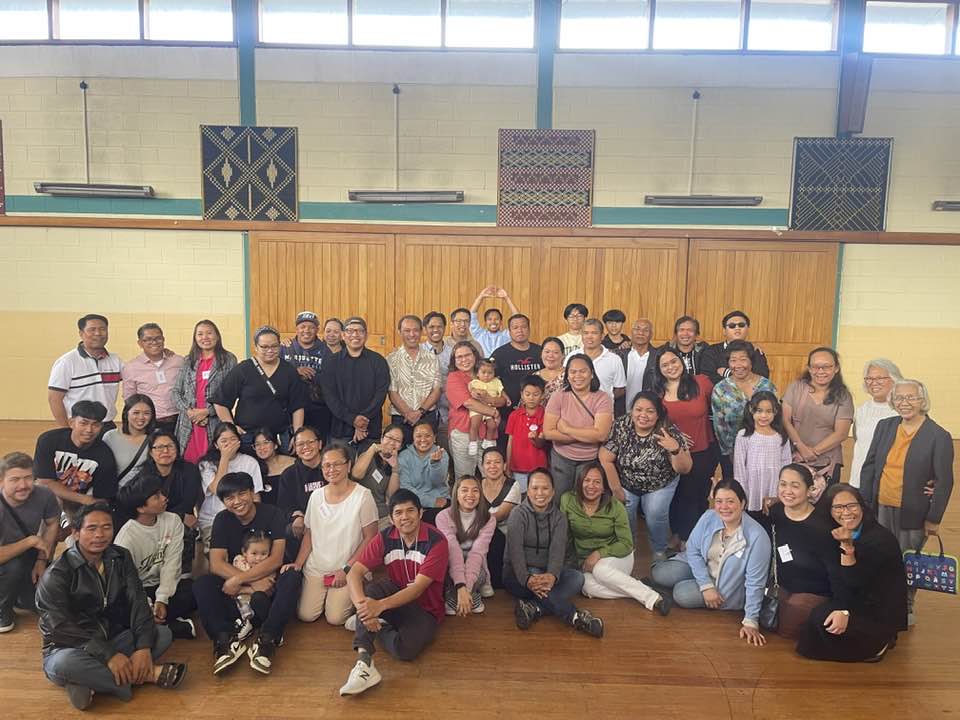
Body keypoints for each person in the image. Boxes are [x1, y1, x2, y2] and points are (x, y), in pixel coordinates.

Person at [37, 502, 186, 710]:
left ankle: (87, 682)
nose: (100, 534)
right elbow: (60, 628)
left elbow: (138, 600)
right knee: (65, 664)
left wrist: (143, 647)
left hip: (112, 637)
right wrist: (109, 655)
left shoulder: (120, 557)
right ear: (76, 533)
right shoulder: (57, 575)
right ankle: (146, 675)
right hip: (69, 648)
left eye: (106, 527)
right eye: (91, 528)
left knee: (162, 634)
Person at [859, 378, 954, 623]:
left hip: (913, 511)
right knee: (879, 555)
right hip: (881, 505)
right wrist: (865, 503)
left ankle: (905, 606)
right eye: (899, 397)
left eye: (911, 397)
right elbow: (869, 466)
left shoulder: (939, 436)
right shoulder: (885, 426)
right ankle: (879, 601)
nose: (905, 402)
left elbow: (944, 481)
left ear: (923, 401)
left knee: (907, 560)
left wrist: (934, 517)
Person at [339, 489, 449, 696]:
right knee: (371, 592)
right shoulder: (385, 536)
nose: (405, 517)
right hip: (393, 594)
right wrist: (364, 608)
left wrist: (377, 607)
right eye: (398, 513)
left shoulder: (437, 541)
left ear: (421, 513)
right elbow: (354, 573)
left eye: (410, 511)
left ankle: (376, 624)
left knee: (404, 650)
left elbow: (417, 589)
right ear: (391, 518)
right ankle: (364, 663)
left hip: (425, 609)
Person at [193, 471, 301, 675]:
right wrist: (248, 584)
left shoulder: (273, 514)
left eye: (242, 494)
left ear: (252, 493)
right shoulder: (222, 519)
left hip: (269, 589)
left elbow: (276, 559)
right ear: (223, 501)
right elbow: (216, 563)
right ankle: (225, 641)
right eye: (229, 498)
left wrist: (242, 580)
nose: (237, 501)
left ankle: (267, 639)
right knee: (203, 584)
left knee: (292, 576)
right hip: (237, 593)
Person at [650, 479, 770, 646]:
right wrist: (705, 585)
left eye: (730, 501)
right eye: (719, 501)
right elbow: (692, 549)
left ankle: (683, 587)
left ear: (743, 503)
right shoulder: (709, 516)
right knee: (659, 573)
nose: (724, 507)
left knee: (681, 593)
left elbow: (755, 582)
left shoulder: (757, 536)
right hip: (705, 569)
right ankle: (692, 584)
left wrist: (751, 620)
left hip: (724, 589)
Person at [796, 485, 907, 662]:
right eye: (838, 507)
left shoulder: (879, 540)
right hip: (855, 596)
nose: (846, 512)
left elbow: (857, 582)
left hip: (877, 608)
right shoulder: (837, 532)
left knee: (823, 621)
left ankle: (881, 643)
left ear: (862, 506)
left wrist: (845, 612)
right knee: (817, 619)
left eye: (851, 506)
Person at [503, 469, 603, 637]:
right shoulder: (517, 514)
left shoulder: (559, 518)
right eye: (535, 488)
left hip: (545, 572)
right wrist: (528, 579)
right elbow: (516, 555)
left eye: (545, 488)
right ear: (528, 491)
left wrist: (552, 576)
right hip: (518, 575)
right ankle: (575, 617)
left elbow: (557, 552)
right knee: (536, 576)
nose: (540, 493)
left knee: (577, 578)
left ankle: (533, 608)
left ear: (553, 491)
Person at [562, 462, 671, 614]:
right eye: (587, 480)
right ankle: (640, 587)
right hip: (586, 563)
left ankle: (652, 598)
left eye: (597, 482)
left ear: (603, 487)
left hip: (618, 556)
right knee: (586, 587)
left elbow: (626, 544)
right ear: (580, 482)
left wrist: (599, 553)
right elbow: (563, 535)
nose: (591, 486)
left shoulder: (615, 507)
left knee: (600, 570)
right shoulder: (567, 500)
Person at [289, 443, 378, 626]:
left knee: (335, 618)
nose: (332, 469)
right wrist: (298, 563)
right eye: (327, 465)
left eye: (337, 464)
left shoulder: (363, 496)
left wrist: (347, 569)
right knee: (306, 615)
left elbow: (370, 537)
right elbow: (309, 534)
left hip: (346, 567)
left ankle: (359, 585)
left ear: (349, 465)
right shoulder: (316, 496)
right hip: (317, 567)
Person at [599, 391, 692, 562]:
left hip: (660, 483)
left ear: (658, 415)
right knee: (624, 512)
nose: (643, 415)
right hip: (626, 481)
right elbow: (605, 457)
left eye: (650, 411)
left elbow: (685, 468)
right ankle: (629, 548)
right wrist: (616, 489)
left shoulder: (667, 430)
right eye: (638, 409)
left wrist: (675, 449)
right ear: (631, 410)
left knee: (655, 514)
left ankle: (659, 549)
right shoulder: (622, 425)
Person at [115, 475, 196, 640]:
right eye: (156, 496)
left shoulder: (172, 521)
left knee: (195, 591)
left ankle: (151, 625)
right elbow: (129, 583)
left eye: (161, 493)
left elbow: (172, 563)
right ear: (140, 508)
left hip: (163, 585)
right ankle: (167, 626)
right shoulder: (126, 538)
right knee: (119, 608)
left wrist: (162, 600)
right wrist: (148, 606)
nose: (164, 498)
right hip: (138, 591)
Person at [653, 347, 717, 544]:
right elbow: (654, 422)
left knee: (698, 497)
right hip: (672, 453)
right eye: (665, 365)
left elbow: (719, 408)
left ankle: (695, 540)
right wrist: (677, 436)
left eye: (674, 361)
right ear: (659, 370)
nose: (671, 367)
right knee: (676, 497)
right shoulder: (657, 392)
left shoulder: (701, 382)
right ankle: (679, 536)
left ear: (681, 361)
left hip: (703, 450)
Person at [767, 464, 836, 640]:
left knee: (787, 630)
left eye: (795, 486)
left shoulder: (823, 525)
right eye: (783, 484)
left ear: (810, 490)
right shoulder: (775, 512)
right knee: (766, 621)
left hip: (813, 590)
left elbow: (835, 570)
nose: (787, 491)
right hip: (782, 585)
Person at [214, 326, 307, 449]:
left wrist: (297, 435)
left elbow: (298, 406)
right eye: (264, 347)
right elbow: (220, 402)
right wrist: (232, 427)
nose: (270, 350)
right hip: (247, 437)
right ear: (256, 347)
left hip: (279, 437)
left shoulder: (289, 371)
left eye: (274, 346)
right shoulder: (243, 369)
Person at [0, 452, 59, 634]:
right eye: (15, 479)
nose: (23, 485)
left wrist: (41, 560)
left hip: (28, 556)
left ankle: (18, 596)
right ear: (1, 481)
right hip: (6, 560)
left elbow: (52, 523)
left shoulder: (44, 495)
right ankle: (2, 609)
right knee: (14, 567)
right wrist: (30, 541)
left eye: (28, 478)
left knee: (39, 602)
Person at [543, 353, 614, 498]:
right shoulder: (558, 396)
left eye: (583, 371)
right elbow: (548, 433)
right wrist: (588, 434)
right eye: (573, 372)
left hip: (589, 459)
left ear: (592, 374)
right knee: (560, 499)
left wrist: (567, 429)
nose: (578, 376)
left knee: (585, 499)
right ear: (567, 376)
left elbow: (601, 435)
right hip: (561, 458)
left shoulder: (602, 398)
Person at [782, 347, 854, 485]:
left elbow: (841, 433)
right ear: (809, 369)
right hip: (795, 458)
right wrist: (800, 447)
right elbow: (785, 420)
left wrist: (813, 452)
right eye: (815, 367)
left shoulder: (843, 396)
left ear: (836, 368)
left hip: (828, 462)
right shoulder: (796, 388)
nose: (820, 371)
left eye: (826, 367)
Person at [34, 400, 119, 512]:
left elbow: (102, 498)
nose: (89, 430)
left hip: (80, 508)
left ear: (101, 426)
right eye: (83, 423)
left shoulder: (105, 455)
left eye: (96, 425)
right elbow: (44, 482)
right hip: (52, 499)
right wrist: (83, 499)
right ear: (71, 422)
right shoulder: (49, 440)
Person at [172, 319, 237, 464]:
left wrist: (207, 412)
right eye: (200, 334)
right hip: (189, 422)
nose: (205, 337)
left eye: (209, 333)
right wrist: (190, 412)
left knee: (213, 463)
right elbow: (176, 392)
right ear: (195, 338)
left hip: (215, 421)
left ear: (217, 336)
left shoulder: (228, 359)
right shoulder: (188, 360)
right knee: (188, 465)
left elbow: (230, 395)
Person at [320, 316, 390, 450]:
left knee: (369, 463)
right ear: (343, 335)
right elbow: (330, 396)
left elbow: (381, 394)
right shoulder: (331, 363)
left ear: (366, 335)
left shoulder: (378, 361)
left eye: (360, 331)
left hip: (370, 429)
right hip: (341, 430)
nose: (355, 335)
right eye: (350, 331)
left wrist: (363, 420)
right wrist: (353, 420)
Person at [137, 429, 201, 576]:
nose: (165, 451)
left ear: (177, 449)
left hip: (180, 523)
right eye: (159, 447)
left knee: (186, 528)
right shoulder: (144, 474)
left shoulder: (189, 470)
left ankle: (183, 574)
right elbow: (144, 505)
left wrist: (178, 516)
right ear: (151, 452)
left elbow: (188, 503)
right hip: (154, 521)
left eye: (170, 446)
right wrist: (179, 516)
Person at [711, 340, 778, 481]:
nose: (738, 365)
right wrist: (731, 453)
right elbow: (720, 426)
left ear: (751, 361)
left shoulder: (767, 386)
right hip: (732, 453)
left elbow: (776, 419)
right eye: (733, 360)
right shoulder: (721, 389)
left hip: (765, 450)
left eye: (743, 359)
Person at [48, 314, 123, 429]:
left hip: (107, 425)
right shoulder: (67, 362)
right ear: (81, 333)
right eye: (92, 329)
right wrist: (65, 430)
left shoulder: (115, 360)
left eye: (102, 329)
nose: (98, 333)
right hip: (79, 427)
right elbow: (54, 399)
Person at [446, 341, 508, 480]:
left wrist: (489, 399)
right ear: (454, 361)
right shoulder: (454, 377)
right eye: (459, 357)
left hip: (488, 434)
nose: (464, 360)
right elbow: (469, 403)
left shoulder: (487, 374)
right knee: (465, 478)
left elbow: (503, 400)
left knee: (492, 476)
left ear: (475, 356)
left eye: (467, 355)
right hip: (464, 433)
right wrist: (493, 412)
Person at [436, 476, 496, 616]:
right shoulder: (443, 516)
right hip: (450, 564)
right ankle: (469, 596)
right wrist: (460, 585)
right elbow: (453, 551)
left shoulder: (489, 519)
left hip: (475, 568)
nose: (470, 495)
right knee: (445, 570)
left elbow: (477, 553)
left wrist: (466, 589)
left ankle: (460, 596)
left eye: (475, 490)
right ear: (456, 494)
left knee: (479, 573)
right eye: (464, 490)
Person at [197, 423, 264, 547]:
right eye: (224, 441)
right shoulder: (206, 464)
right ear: (216, 445)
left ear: (239, 441)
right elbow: (217, 490)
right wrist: (225, 458)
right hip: (212, 520)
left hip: (244, 519)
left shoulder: (250, 462)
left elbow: (255, 496)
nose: (229, 444)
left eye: (233, 439)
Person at [733, 391, 793, 521]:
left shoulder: (781, 435)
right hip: (751, 488)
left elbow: (786, 464)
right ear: (751, 410)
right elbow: (739, 468)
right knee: (753, 521)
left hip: (774, 487)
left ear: (775, 411)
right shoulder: (744, 435)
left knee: (773, 521)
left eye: (769, 411)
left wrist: (783, 490)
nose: (764, 416)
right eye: (759, 411)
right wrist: (742, 493)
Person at [387, 314, 441, 447]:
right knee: (400, 455)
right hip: (401, 418)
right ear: (399, 332)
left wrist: (420, 412)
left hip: (427, 415)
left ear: (421, 331)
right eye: (407, 330)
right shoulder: (391, 359)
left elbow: (436, 390)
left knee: (428, 455)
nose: (412, 334)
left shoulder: (432, 358)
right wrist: (408, 413)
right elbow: (392, 392)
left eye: (416, 330)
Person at [491, 313, 544, 449]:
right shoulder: (500, 354)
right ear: (509, 331)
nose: (520, 330)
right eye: (515, 328)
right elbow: (490, 380)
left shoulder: (540, 352)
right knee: (508, 449)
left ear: (529, 329)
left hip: (537, 415)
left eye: (523, 327)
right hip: (507, 414)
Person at [849, 358, 903, 488]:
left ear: (894, 379)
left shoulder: (903, 410)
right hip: (859, 480)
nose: (874, 383)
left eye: (880, 378)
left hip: (890, 483)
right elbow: (858, 440)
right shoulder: (861, 410)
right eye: (869, 378)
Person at [121, 323, 184, 433]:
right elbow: (130, 399)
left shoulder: (178, 361)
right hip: (151, 422)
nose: (154, 342)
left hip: (180, 419)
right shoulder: (131, 367)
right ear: (140, 343)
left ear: (163, 339)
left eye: (158, 338)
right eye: (148, 339)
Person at [281, 311, 332, 441]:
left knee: (317, 444)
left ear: (317, 330)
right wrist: (296, 371)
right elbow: (276, 374)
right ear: (296, 329)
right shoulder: (285, 348)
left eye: (311, 327)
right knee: (292, 445)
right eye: (302, 326)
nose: (306, 330)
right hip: (289, 408)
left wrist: (312, 376)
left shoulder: (326, 351)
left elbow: (330, 380)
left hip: (317, 409)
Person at [276, 426, 325, 561]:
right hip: (305, 523)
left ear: (320, 444)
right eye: (300, 444)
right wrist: (296, 516)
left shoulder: (330, 468)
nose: (306, 447)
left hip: (332, 518)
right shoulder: (289, 474)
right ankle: (298, 566)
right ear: (295, 448)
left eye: (310, 442)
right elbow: (284, 506)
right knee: (289, 529)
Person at [479, 447, 521, 591]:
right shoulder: (477, 485)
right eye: (488, 462)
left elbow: (500, 515)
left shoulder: (513, 485)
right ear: (482, 466)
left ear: (504, 465)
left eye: (497, 462)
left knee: (494, 537)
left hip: (505, 534)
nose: (492, 466)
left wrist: (474, 522)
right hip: (481, 532)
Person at [398, 421, 450, 524]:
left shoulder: (442, 453)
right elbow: (405, 487)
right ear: (413, 437)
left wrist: (435, 464)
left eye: (427, 436)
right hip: (413, 502)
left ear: (434, 438)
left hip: (440, 500)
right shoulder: (404, 456)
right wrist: (430, 501)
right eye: (418, 436)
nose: (423, 439)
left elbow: (438, 482)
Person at [352, 424, 404, 527]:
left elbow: (390, 495)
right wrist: (373, 448)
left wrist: (395, 469)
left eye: (397, 441)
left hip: (380, 513)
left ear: (401, 446)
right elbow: (356, 475)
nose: (392, 443)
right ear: (381, 438)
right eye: (389, 437)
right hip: (359, 510)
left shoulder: (397, 463)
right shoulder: (369, 455)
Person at [701, 311, 771, 386]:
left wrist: (727, 373)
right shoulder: (711, 351)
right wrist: (742, 380)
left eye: (741, 325)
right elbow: (708, 378)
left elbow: (762, 378)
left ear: (748, 329)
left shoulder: (755, 351)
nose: (737, 328)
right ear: (724, 331)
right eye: (732, 326)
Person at [102, 394, 157, 488]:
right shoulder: (110, 436)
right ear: (126, 413)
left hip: (145, 492)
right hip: (116, 492)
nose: (141, 417)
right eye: (136, 413)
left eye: (146, 413)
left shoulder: (158, 437)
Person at [566, 318, 626, 405]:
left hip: (604, 409)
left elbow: (620, 389)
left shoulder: (614, 359)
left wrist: (604, 399)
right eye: (586, 333)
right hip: (574, 407)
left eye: (594, 333)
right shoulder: (571, 356)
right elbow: (565, 383)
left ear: (602, 336)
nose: (589, 337)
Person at [230, 530, 277, 639]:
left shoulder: (269, 568)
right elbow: (232, 584)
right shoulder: (239, 562)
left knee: (259, 597)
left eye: (263, 554)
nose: (258, 558)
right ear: (244, 552)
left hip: (257, 607)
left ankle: (263, 628)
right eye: (254, 553)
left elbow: (266, 589)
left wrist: (242, 589)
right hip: (238, 604)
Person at [505, 375, 548, 493]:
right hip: (517, 467)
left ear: (543, 395)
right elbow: (510, 442)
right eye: (527, 394)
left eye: (536, 394)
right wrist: (508, 465)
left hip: (539, 467)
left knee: (538, 495)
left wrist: (535, 439)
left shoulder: (546, 415)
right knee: (522, 497)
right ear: (522, 394)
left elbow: (541, 444)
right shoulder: (514, 415)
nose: (531, 398)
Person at [421, 311, 455, 446]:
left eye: (439, 326)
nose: (436, 330)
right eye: (431, 327)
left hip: (448, 411)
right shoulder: (418, 351)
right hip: (423, 411)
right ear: (425, 329)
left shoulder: (453, 352)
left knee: (446, 449)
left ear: (444, 328)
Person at [617, 318, 658, 417]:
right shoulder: (619, 356)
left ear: (651, 334)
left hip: (648, 415)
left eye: (646, 330)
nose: (641, 333)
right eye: (637, 329)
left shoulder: (658, 357)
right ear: (631, 332)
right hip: (621, 413)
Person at [469, 285, 519, 356]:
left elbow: (518, 320)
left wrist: (507, 298)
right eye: (490, 319)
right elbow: (471, 316)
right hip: (483, 363)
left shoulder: (507, 335)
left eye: (496, 319)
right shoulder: (479, 334)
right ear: (485, 322)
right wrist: (481, 297)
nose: (493, 322)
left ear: (501, 322)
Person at [468, 358, 504, 455]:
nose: (486, 375)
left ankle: (488, 440)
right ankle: (473, 442)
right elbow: (471, 390)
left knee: (492, 425)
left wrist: (507, 398)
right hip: (478, 408)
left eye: (490, 373)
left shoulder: (496, 382)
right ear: (477, 373)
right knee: (474, 423)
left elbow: (502, 392)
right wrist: (476, 392)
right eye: (483, 372)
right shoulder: (475, 382)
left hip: (491, 408)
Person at [251, 427, 295, 506]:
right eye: (257, 444)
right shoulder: (254, 468)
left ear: (275, 445)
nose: (262, 447)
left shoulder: (293, 463)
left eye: (266, 442)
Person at [536, 336, 566, 404]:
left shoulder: (570, 375)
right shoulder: (534, 376)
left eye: (555, 352)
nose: (550, 355)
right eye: (547, 352)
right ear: (541, 354)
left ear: (563, 355)